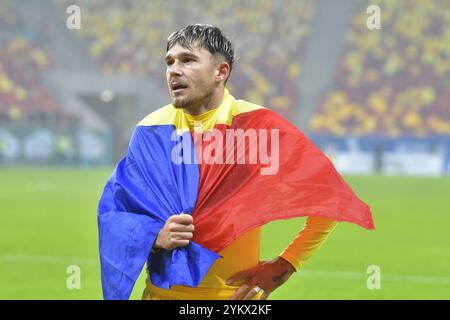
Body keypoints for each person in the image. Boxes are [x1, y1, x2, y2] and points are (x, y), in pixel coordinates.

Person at [98, 24, 374, 300]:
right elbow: (118, 212)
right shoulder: (150, 131)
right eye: (169, 62)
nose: (174, 70)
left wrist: (286, 264)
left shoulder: (259, 129)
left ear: (221, 71)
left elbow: (328, 198)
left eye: (188, 60)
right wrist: (155, 236)